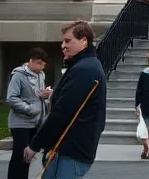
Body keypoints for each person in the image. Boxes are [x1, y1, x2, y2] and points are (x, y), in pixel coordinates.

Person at [24, 20, 107, 179]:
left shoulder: (84, 69)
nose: (63, 46)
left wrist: (35, 145)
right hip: (70, 147)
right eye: (63, 41)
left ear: (84, 41)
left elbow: (61, 113)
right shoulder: (85, 65)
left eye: (68, 41)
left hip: (70, 150)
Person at [6, 47, 52, 179]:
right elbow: (11, 98)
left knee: (28, 157)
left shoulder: (40, 75)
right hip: (20, 123)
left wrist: (44, 94)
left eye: (43, 65)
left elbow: (36, 94)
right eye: (39, 63)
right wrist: (29, 109)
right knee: (19, 157)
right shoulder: (18, 75)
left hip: (36, 122)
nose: (41, 67)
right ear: (30, 60)